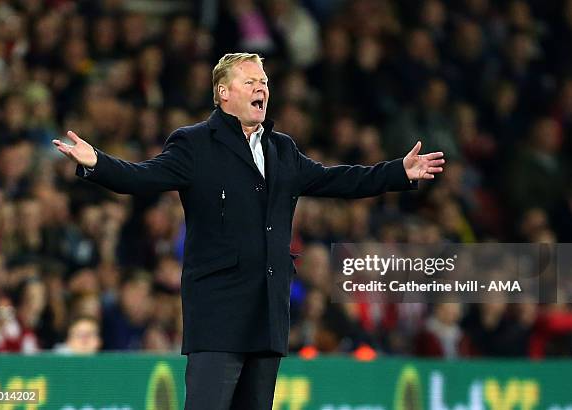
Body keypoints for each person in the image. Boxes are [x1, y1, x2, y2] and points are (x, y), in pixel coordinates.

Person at [53, 53, 445, 410]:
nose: (262, 88)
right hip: (218, 314)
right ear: (223, 93)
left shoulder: (282, 150)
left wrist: (398, 172)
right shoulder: (194, 144)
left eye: (265, 82)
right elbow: (141, 177)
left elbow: (337, 180)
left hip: (268, 315)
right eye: (251, 81)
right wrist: (97, 163)